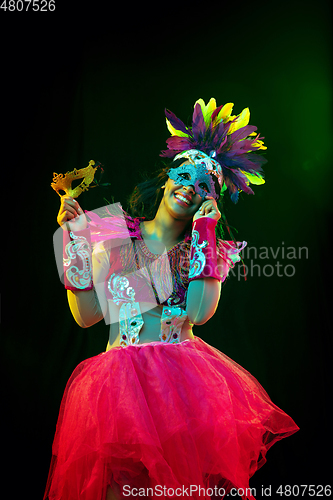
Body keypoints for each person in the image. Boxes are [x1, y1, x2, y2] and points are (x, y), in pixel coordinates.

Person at [44, 99, 299, 500]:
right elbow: (87, 316)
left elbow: (199, 312)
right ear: (167, 177)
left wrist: (206, 233)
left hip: (183, 393)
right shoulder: (112, 230)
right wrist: (72, 241)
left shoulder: (210, 247)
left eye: (204, 187)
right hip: (118, 393)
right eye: (184, 175)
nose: (190, 189)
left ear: (210, 199)